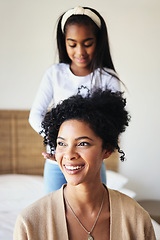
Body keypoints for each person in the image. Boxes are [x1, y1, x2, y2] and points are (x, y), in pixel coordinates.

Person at [14, 89, 156, 240]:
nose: (69, 155)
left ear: (107, 150)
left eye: (82, 143)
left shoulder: (136, 219)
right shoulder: (30, 223)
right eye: (62, 143)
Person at [29, 6, 121, 193]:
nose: (80, 52)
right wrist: (59, 145)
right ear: (64, 43)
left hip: (92, 164)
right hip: (57, 165)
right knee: (56, 216)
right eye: (72, 44)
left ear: (99, 42)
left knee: (93, 214)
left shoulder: (108, 78)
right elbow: (35, 116)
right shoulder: (55, 74)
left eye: (87, 43)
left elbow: (114, 122)